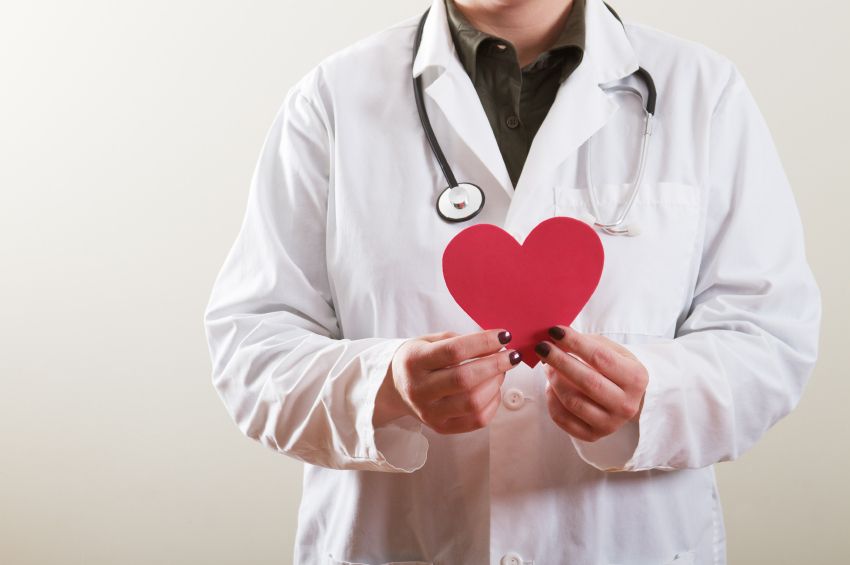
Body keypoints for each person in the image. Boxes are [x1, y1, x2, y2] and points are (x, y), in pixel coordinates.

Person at [203, 0, 821, 563]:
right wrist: (385, 386)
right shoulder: (333, 98)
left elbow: (770, 338)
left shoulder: (702, 92)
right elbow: (251, 347)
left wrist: (655, 395)